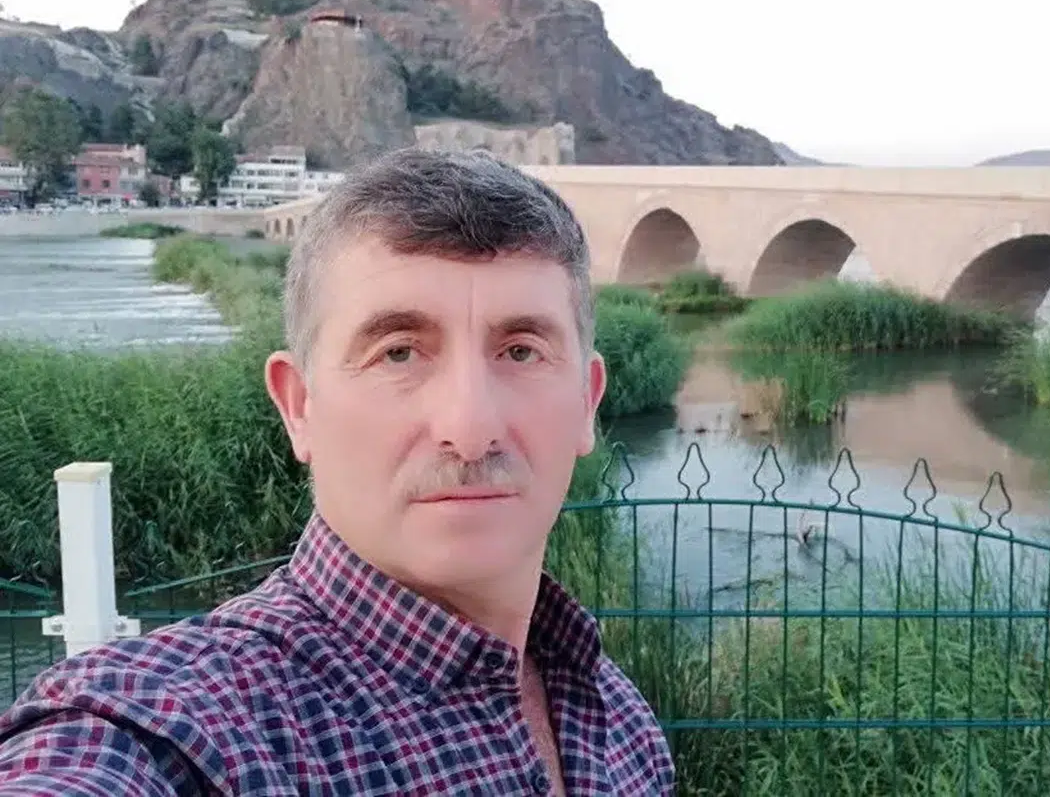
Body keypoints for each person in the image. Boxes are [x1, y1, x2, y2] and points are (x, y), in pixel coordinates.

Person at [0, 148, 676, 795]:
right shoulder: (182, 730)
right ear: (298, 407)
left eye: (521, 352)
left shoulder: (618, 718)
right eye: (398, 353)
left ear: (587, 402)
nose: (471, 430)